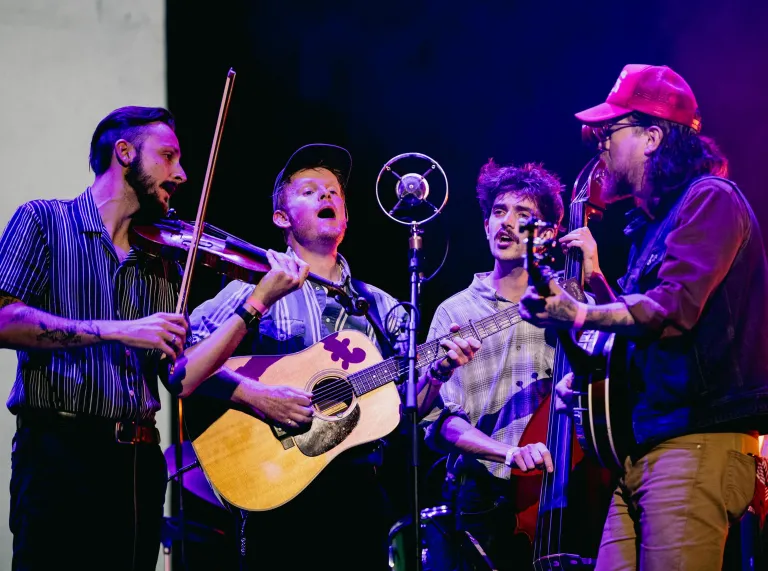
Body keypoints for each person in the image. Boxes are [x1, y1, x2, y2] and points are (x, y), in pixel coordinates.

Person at [0, 106, 307, 571]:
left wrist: (256, 306)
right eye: (168, 156)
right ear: (124, 153)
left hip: (137, 464)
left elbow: (181, 377)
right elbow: (5, 320)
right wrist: (122, 330)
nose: (181, 174)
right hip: (57, 450)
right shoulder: (43, 221)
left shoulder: (163, 259)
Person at [519, 64, 768, 570]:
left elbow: (674, 308)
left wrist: (581, 311)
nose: (600, 145)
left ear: (652, 137)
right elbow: (642, 331)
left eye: (609, 131)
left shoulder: (711, 200)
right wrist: (587, 319)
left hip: (693, 440)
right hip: (644, 447)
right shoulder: (652, 226)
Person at [187, 143, 481, 570]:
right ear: (281, 218)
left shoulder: (382, 307)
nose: (326, 195)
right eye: (309, 191)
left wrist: (438, 373)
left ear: (345, 216)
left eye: (334, 192)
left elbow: (407, 411)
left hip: (359, 492)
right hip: (276, 484)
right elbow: (185, 365)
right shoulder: (254, 286)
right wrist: (258, 396)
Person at [421, 159, 562, 570]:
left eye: (523, 215)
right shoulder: (454, 312)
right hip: (481, 493)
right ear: (486, 226)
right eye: (499, 211)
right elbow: (438, 421)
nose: (507, 222)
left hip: (559, 485)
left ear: (546, 234)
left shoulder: (568, 304)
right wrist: (507, 453)